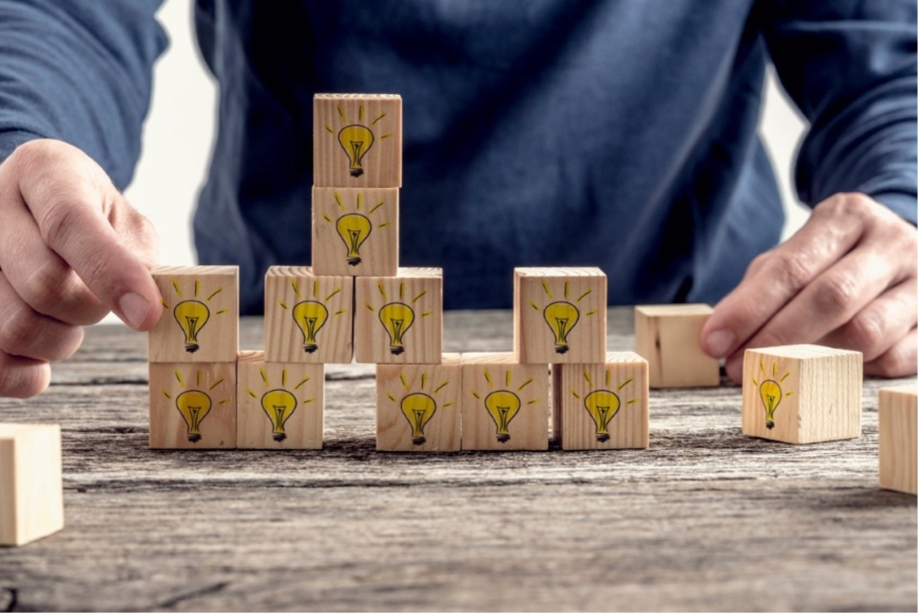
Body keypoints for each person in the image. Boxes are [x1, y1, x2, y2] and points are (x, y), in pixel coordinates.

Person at [0, 1, 915, 398]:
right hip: (287, 346)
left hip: (692, 343)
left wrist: (904, 203)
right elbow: (69, 10)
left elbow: (885, 58)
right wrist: (23, 144)